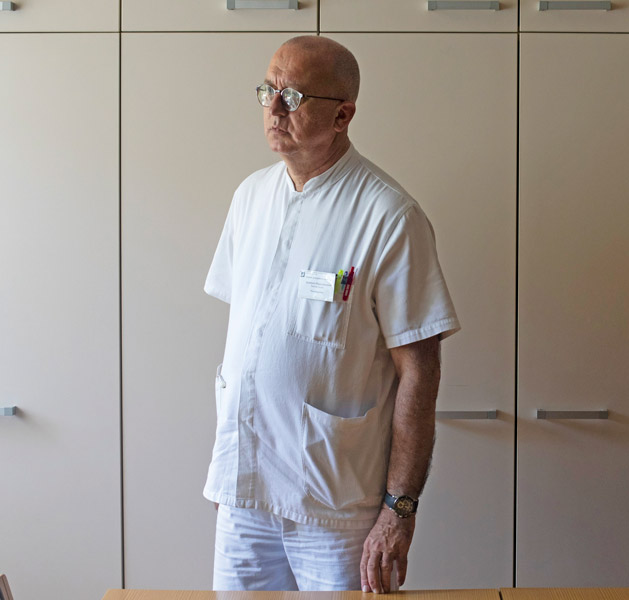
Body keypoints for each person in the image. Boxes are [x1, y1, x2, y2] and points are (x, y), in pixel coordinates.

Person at [203, 35, 460, 594]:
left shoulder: (389, 215)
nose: (274, 109)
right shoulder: (249, 198)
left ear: (342, 115)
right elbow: (250, 337)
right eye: (268, 91)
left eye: (293, 97)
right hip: (243, 496)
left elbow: (420, 370)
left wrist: (399, 510)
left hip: (335, 509)